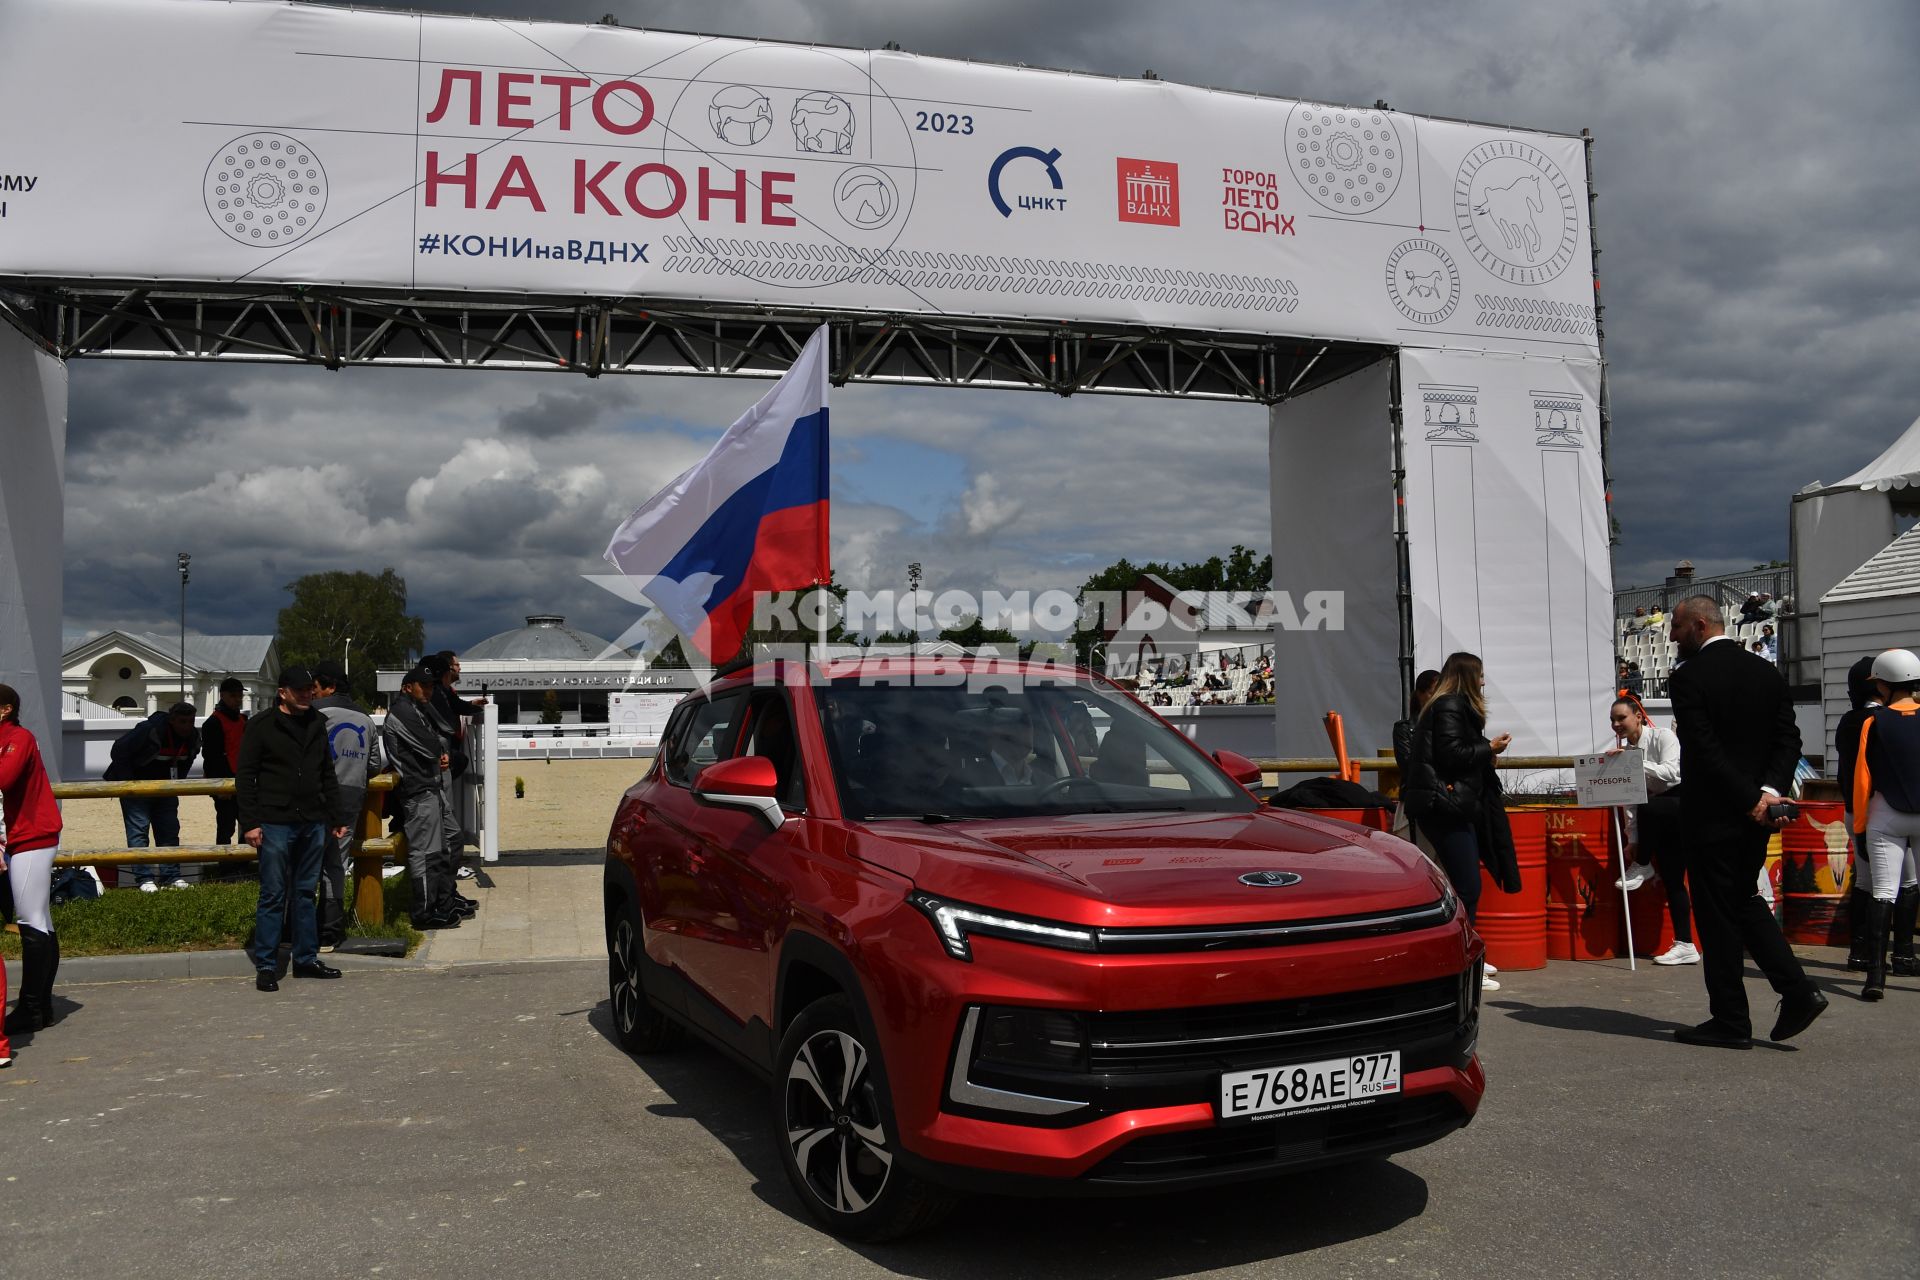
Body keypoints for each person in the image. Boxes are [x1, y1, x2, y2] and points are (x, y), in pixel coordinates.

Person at [1665, 595, 1825, 1047]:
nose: (1672, 636)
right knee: (1743, 899)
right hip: (1757, 813)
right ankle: (1797, 990)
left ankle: (1732, 1019)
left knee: (1717, 914)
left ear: (1698, 625)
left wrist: (1752, 798)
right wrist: (1770, 792)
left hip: (1714, 814)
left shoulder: (1689, 677)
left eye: (1677, 627)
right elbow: (1789, 739)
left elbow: (1703, 749)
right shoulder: (1765, 672)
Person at [1400, 652, 1521, 991]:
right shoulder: (1451, 706)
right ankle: (1464, 962)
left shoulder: (1445, 706)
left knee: (1461, 884)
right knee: (1467, 886)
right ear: (1469, 676)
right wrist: (1490, 747)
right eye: (1480, 675)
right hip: (1445, 806)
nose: (1484, 682)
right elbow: (1453, 754)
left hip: (1446, 805)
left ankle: (1462, 955)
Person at [235, 667, 347, 992]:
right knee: (273, 894)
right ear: (282, 692)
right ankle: (267, 965)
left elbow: (327, 772)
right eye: (300, 690)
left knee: (304, 893)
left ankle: (305, 959)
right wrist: (250, 823)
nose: (307, 695)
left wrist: (336, 817)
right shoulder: (260, 726)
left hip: (313, 821)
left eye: (310, 690)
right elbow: (246, 777)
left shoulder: (316, 723)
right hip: (273, 822)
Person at [1847, 648, 1920, 1001]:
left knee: (1883, 892)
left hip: (1886, 816)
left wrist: (1859, 828)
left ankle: (1875, 977)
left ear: (1884, 685)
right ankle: (1907, 958)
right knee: (1914, 887)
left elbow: (1863, 781)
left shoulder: (1873, 723)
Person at [1607, 694, 1695, 964]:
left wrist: (1633, 765)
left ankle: (1644, 864)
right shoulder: (1626, 753)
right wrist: (1633, 838)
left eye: (1621, 718)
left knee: (1651, 808)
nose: (1617, 724)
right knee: (1672, 878)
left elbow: (1673, 773)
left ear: (1638, 716)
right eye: (1612, 720)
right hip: (1657, 816)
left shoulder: (1664, 737)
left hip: (1683, 803)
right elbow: (1631, 800)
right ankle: (1686, 944)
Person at [0, 684, 65, 1039]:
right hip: (30, 833)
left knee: (31, 921)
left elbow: (4, 778)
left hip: (32, 834)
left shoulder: (17, 738)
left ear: (5, 709)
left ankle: (31, 1008)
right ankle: (40, 1006)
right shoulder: (11, 736)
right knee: (40, 921)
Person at [384, 666, 463, 929]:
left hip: (430, 788)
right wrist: (439, 748)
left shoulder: (419, 709)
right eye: (423, 685)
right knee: (426, 854)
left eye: (430, 685)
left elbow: (443, 736)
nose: (428, 690)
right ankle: (424, 914)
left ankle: (444, 901)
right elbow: (433, 744)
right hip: (418, 792)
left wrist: (440, 748)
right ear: (408, 687)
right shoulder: (403, 711)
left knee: (449, 842)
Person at [310, 661, 382, 949]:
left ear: (330, 687)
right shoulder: (365, 718)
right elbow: (374, 765)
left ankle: (297, 927)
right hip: (352, 794)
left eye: (314, 687)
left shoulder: (314, 714)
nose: (311, 693)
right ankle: (331, 928)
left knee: (305, 861)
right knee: (337, 863)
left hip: (316, 795)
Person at [104, 701, 200, 890]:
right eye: (183, 721)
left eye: (191, 721)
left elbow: (188, 760)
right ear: (172, 720)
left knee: (169, 832)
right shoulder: (149, 730)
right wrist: (129, 784)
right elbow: (119, 749)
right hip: (137, 790)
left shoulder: (193, 737)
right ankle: (144, 879)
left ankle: (170, 876)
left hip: (166, 790)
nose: (187, 726)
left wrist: (177, 784)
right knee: (138, 833)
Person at [1834, 655, 1883, 971]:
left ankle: (1859, 950)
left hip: (1854, 807)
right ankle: (1898, 952)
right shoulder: (1882, 722)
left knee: (1864, 880)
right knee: (1899, 883)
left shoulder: (1847, 722)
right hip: (1882, 808)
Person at [426, 652, 488, 891]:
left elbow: (455, 706)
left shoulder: (445, 693)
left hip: (445, 760)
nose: (460, 668)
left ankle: (445, 883)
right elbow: (448, 718)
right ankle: (443, 882)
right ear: (446, 670)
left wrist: (471, 705)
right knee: (446, 820)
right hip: (441, 762)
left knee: (447, 819)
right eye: (456, 665)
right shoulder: (439, 693)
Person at [200, 679, 249, 848]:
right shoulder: (213, 723)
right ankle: (226, 866)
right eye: (233, 695)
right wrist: (219, 786)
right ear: (222, 696)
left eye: (240, 695)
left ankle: (242, 863)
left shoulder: (243, 720)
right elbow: (211, 758)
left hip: (242, 780)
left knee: (248, 823)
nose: (238, 699)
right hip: (224, 782)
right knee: (226, 827)